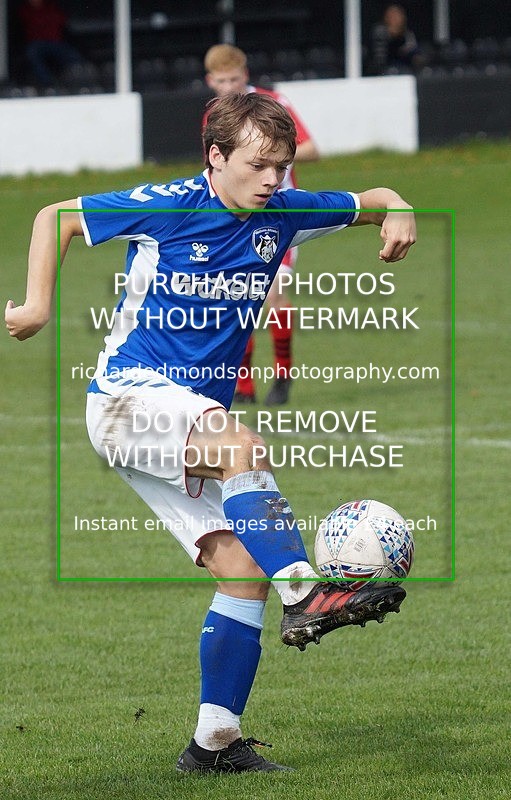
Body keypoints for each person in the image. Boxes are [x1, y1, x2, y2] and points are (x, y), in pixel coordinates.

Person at [5, 93, 416, 773]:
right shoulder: (168, 204)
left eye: (281, 167)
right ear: (215, 156)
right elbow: (58, 217)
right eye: (258, 165)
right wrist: (39, 305)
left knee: (240, 565)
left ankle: (214, 744)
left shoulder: (282, 211)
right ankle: (305, 595)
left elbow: (369, 198)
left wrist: (397, 203)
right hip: (125, 400)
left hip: (184, 414)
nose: (272, 180)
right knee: (241, 446)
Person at [203, 44, 320, 406]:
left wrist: (262, 156)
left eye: (234, 79)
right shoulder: (214, 117)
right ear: (210, 81)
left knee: (273, 294)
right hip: (234, 219)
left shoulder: (273, 105)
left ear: (246, 74)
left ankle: (283, 376)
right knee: (237, 297)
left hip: (279, 216)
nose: (228, 87)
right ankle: (244, 384)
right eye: (221, 81)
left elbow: (312, 148)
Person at [17, 0, 82, 89]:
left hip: (55, 43)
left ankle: (77, 81)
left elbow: (63, 21)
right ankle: (48, 83)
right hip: (37, 44)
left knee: (73, 56)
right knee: (31, 54)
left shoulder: (52, 9)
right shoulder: (25, 11)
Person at [371, 4, 423, 75]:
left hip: (405, 70)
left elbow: (413, 53)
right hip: (383, 71)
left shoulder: (408, 34)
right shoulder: (380, 31)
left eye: (397, 15)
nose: (395, 18)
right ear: (386, 17)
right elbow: (379, 59)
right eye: (392, 15)